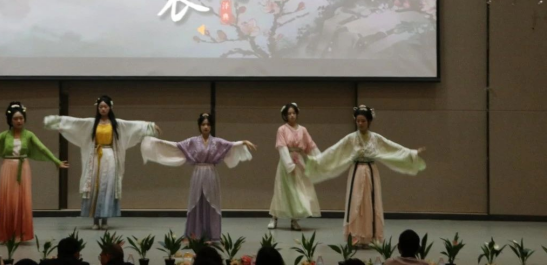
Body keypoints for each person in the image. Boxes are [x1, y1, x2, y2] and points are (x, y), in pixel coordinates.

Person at [306, 106, 426, 247]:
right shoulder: (351, 138)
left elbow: (392, 148)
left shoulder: (376, 138)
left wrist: (411, 153)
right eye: (358, 121)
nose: (360, 123)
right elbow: (335, 151)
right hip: (356, 172)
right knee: (355, 202)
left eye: (363, 121)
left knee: (371, 203)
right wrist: (317, 161)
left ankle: (370, 236)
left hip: (371, 172)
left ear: (369, 121)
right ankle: (354, 236)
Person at [44, 95, 161, 230]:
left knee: (107, 187)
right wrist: (58, 124)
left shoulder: (116, 124)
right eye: (101, 107)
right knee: (95, 186)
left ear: (110, 107)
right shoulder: (92, 123)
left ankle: (105, 220)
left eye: (105, 106)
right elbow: (76, 123)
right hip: (95, 157)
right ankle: (95, 220)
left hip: (109, 156)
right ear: (98, 108)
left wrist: (150, 126)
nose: (103, 109)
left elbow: (133, 126)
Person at [0, 102, 68, 242]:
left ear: (24, 119)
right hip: (8, 168)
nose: (19, 121)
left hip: (23, 168)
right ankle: (8, 234)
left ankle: (20, 234)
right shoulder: (4, 135)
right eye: (15, 118)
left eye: (21, 118)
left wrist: (56, 161)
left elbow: (43, 149)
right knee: (9, 200)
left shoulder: (29, 135)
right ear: (10, 120)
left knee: (22, 200)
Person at [141, 113, 256, 241]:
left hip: (211, 174)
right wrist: (154, 142)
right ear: (199, 126)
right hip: (198, 174)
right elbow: (175, 146)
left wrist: (243, 142)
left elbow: (231, 145)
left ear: (211, 126)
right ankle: (194, 234)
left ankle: (212, 234)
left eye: (208, 124)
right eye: (203, 124)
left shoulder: (217, 142)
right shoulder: (192, 142)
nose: (205, 127)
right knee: (196, 202)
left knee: (211, 203)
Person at [268, 102, 321, 231]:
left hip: (299, 162)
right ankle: (274, 217)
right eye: (289, 113)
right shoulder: (282, 129)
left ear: (297, 114)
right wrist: (289, 164)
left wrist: (320, 159)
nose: (292, 115)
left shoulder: (303, 130)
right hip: (286, 162)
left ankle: (294, 220)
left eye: (293, 113)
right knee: (282, 190)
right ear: (285, 115)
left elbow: (310, 145)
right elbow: (282, 147)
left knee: (298, 191)